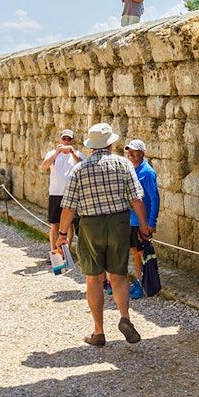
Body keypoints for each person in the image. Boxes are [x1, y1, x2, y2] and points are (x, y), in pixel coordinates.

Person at [57, 123, 152, 347]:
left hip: (91, 225)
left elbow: (68, 207)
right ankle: (124, 318)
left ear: (92, 146)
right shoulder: (123, 164)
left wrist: (63, 234)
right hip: (119, 222)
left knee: (94, 279)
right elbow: (136, 199)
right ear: (111, 144)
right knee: (118, 275)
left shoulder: (80, 169)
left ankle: (99, 332)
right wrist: (144, 226)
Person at [123, 139, 159, 291]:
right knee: (134, 251)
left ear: (142, 153)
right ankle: (139, 280)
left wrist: (151, 222)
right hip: (131, 220)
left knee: (142, 252)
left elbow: (155, 198)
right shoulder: (130, 169)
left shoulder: (148, 173)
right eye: (129, 150)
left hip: (141, 221)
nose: (130, 153)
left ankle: (146, 284)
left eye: (134, 150)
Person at [41, 129, 82, 262]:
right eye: (64, 139)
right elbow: (44, 166)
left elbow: (82, 164)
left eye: (68, 139)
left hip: (70, 194)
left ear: (72, 141)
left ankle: (66, 252)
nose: (66, 142)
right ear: (60, 140)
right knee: (54, 224)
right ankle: (54, 253)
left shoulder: (76, 154)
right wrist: (57, 152)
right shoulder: (52, 153)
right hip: (55, 193)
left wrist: (73, 153)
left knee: (68, 225)